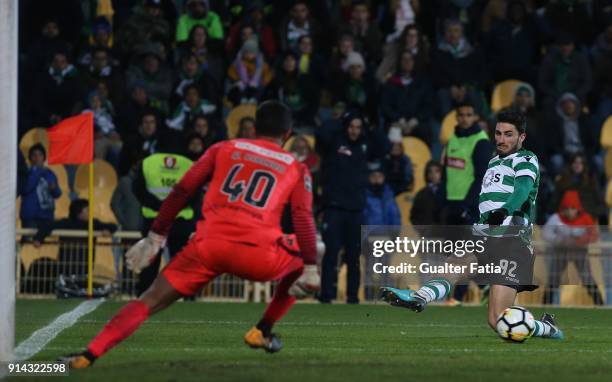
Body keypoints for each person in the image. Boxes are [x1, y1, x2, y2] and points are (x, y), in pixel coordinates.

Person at [60, 101, 320, 368]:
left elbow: (182, 190)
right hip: (258, 254)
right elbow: (302, 217)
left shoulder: (223, 148)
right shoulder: (295, 167)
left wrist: (155, 238)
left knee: (148, 300)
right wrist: (311, 266)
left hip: (207, 247)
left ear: (254, 127)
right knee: (311, 252)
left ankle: (88, 355)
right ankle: (263, 329)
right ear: (288, 134)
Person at [381, 108, 565, 340]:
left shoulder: (526, 159)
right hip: (485, 236)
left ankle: (547, 328)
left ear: (522, 137)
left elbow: (522, 190)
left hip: (511, 241)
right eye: (498, 133)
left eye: (508, 134)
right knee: (454, 264)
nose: (501, 139)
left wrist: (504, 210)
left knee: (497, 320)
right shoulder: (494, 160)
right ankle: (420, 297)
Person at [316, 111, 390, 304]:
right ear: (345, 126)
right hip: (333, 207)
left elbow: (384, 148)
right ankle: (326, 295)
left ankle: (352, 296)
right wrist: (338, 118)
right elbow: (321, 134)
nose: (354, 131)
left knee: (353, 255)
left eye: (358, 127)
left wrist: (372, 127)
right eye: (351, 126)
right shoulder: (334, 141)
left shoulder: (366, 146)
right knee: (330, 253)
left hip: (355, 209)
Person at [131, 144, 196, 296]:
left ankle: (143, 296)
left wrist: (159, 207)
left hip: (154, 219)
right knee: (182, 262)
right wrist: (173, 208)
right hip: (180, 221)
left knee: (149, 262)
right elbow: (196, 192)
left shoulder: (148, 162)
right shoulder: (188, 163)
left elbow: (137, 189)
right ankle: (187, 297)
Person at [542, 190, 604, 305]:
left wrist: (581, 240)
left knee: (587, 278)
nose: (570, 212)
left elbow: (594, 235)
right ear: (562, 208)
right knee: (553, 278)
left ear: (578, 208)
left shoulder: (586, 218)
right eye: (567, 208)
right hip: (560, 251)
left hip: (579, 251)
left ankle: (600, 304)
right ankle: (545, 304)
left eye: (573, 208)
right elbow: (546, 233)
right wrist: (560, 240)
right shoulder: (556, 218)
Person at [20, 144, 62, 228]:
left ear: (44, 158)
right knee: (29, 241)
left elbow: (57, 194)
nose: (37, 157)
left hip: (47, 216)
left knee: (45, 241)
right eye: (34, 155)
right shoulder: (25, 173)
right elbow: (25, 189)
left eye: (40, 155)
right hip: (30, 217)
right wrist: (37, 172)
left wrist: (54, 189)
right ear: (30, 158)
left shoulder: (50, 173)